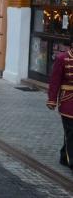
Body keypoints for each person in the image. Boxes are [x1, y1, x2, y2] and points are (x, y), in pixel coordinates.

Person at [47, 43, 73, 171]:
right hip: (68, 100)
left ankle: (64, 156)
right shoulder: (62, 58)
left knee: (70, 133)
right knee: (71, 131)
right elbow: (55, 80)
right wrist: (52, 100)